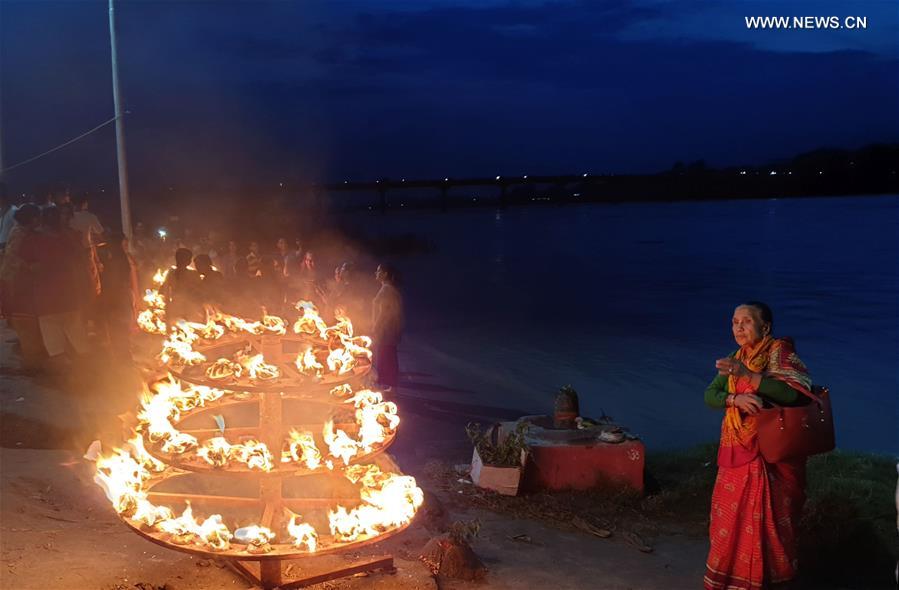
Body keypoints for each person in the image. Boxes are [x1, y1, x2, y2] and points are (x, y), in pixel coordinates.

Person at [703, 302, 813, 590]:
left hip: (769, 453)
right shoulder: (736, 356)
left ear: (765, 327)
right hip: (736, 449)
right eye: (734, 321)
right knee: (728, 518)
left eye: (746, 321)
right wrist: (733, 399)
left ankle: (772, 580)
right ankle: (730, 579)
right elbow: (710, 394)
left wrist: (749, 376)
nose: (738, 327)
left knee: (773, 522)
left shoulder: (779, 352)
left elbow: (794, 395)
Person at [19, 206, 92, 364]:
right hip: (69, 299)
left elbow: (25, 266)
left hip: (46, 303)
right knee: (80, 344)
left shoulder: (32, 239)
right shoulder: (70, 238)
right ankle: (86, 379)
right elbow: (81, 261)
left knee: (56, 349)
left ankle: (68, 380)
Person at [0, 204, 47, 369]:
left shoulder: (23, 231)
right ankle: (32, 362)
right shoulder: (19, 233)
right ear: (32, 219)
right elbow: (11, 256)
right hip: (14, 281)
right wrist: (28, 266)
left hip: (16, 280)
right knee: (24, 320)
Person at [96, 232, 139, 360]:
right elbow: (115, 280)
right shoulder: (116, 259)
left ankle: (123, 355)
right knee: (119, 327)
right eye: (124, 244)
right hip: (117, 297)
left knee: (121, 328)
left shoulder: (122, 257)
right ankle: (122, 356)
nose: (125, 246)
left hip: (121, 296)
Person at [372, 263, 403, 392]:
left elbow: (383, 313)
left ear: (385, 274)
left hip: (386, 330)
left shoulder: (387, 290)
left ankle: (388, 385)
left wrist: (375, 327)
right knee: (388, 356)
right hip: (389, 329)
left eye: (378, 271)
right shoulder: (389, 289)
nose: (376, 273)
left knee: (385, 356)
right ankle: (390, 386)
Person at [162, 247, 202, 322]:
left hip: (176, 308)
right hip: (189, 309)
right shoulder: (193, 274)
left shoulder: (170, 273)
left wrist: (168, 313)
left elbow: (165, 293)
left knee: (179, 329)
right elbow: (200, 293)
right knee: (186, 330)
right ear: (188, 261)